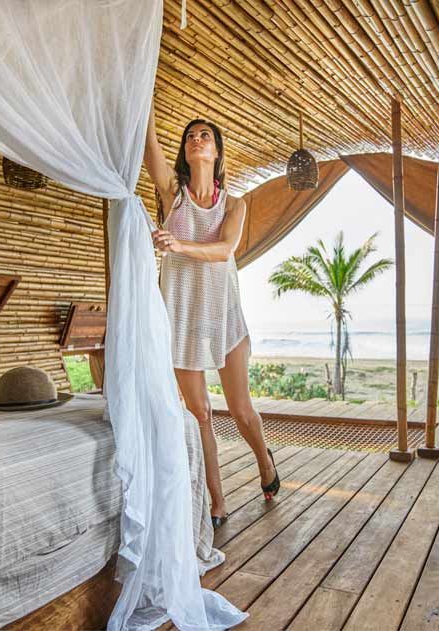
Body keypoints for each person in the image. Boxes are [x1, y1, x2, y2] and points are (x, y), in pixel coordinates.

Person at [143, 101, 279, 528]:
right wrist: (144, 86)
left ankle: (265, 462)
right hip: (181, 319)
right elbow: (148, 145)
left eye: (205, 135)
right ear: (185, 152)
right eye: (190, 136)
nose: (196, 139)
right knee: (200, 413)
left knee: (240, 409)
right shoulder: (172, 194)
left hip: (223, 318)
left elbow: (223, 251)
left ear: (217, 151)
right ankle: (217, 501)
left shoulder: (234, 205)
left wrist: (180, 246)